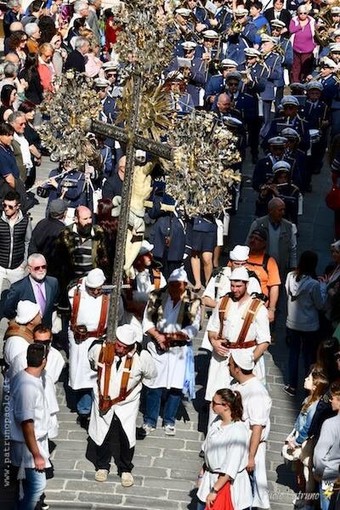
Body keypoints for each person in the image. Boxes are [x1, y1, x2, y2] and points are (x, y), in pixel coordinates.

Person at [86, 324, 156, 487]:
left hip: (127, 404)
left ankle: (125, 468)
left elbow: (151, 375)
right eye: (118, 345)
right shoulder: (99, 349)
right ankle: (102, 466)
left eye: (124, 347)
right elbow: (91, 362)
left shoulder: (142, 356)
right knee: (102, 433)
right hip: (103, 400)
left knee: (126, 435)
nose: (120, 349)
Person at [142, 267, 201, 436]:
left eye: (179, 285)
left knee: (175, 387)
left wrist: (177, 335)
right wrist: (158, 336)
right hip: (157, 347)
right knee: (154, 386)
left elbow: (194, 327)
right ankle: (150, 420)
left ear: (185, 285)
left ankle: (169, 420)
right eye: (172, 285)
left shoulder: (193, 301)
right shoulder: (156, 296)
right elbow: (147, 321)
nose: (175, 289)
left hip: (178, 350)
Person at [205, 267, 270, 407]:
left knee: (243, 403)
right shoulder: (223, 302)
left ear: (246, 284)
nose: (235, 290)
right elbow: (212, 328)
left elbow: (264, 341)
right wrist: (214, 342)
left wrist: (251, 359)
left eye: (238, 286)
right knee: (218, 398)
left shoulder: (258, 308)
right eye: (232, 286)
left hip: (245, 356)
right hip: (222, 357)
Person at [9, 343, 51, 510]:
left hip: (29, 443)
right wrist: (37, 455)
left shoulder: (25, 377)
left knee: (27, 485)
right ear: (44, 361)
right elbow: (27, 423)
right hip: (29, 446)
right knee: (37, 487)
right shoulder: (28, 387)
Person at [229, 349, 272, 510]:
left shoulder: (257, 393)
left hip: (248, 450)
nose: (228, 366)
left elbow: (257, 427)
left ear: (238, 368)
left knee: (247, 494)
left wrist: (251, 457)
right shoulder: (239, 384)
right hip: (237, 445)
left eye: (231, 364)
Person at [196, 388, 253, 510]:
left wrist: (214, 491)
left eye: (214, 402)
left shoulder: (238, 432)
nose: (211, 405)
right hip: (209, 481)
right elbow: (207, 450)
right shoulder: (216, 423)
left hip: (230, 487)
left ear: (226, 406)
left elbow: (230, 468)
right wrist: (202, 473)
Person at [68, 268, 110, 429]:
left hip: (100, 338)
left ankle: (99, 408)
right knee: (82, 376)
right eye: (92, 289)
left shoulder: (109, 296)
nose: (95, 292)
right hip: (80, 340)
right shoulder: (75, 292)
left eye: (98, 288)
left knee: (97, 375)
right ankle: (84, 410)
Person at [283, 251, 327, 397]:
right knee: (308, 356)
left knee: (293, 354)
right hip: (309, 325)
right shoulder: (314, 284)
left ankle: (292, 385)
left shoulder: (290, 277)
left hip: (292, 322)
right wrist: (323, 288)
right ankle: (308, 386)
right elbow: (320, 305)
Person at [284, 367, 328, 507]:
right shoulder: (309, 399)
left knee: (307, 472)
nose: (304, 379)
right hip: (302, 440)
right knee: (303, 471)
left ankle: (307, 501)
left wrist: (296, 441)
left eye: (308, 379)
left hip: (306, 443)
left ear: (315, 386)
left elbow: (307, 427)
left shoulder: (314, 406)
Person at [3, 253, 59, 329]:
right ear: (29, 269)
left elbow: (54, 304)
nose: (41, 270)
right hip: (27, 330)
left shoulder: (53, 282)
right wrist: (22, 321)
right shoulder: (18, 288)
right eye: (37, 268)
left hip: (46, 331)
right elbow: (8, 310)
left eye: (44, 267)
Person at [247, 197, 297, 279]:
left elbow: (293, 249)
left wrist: (293, 267)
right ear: (271, 210)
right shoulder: (258, 224)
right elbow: (248, 245)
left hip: (280, 270)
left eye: (283, 210)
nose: (283, 213)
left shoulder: (289, 227)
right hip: (260, 268)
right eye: (280, 210)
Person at [313, 380, 340, 510]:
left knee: (327, 504)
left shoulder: (330, 424)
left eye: (333, 398)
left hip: (329, 477)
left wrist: (318, 472)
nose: (330, 401)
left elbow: (319, 456)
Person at [0, 190, 32, 296]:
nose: (6, 209)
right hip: (0, 266)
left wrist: (25, 262)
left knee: (16, 297)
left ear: (18, 206)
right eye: (4, 205)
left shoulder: (25, 221)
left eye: (10, 206)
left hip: (17, 267)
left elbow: (28, 241)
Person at [246, 227, 281, 322]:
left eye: (257, 239)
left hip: (259, 307)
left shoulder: (269, 261)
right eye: (252, 237)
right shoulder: (241, 256)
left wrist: (271, 309)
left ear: (264, 244)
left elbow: (274, 286)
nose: (253, 240)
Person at [29, 199, 67, 267]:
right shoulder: (63, 230)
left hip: (37, 265)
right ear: (64, 213)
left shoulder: (41, 223)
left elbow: (32, 244)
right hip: (53, 269)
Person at [3, 300, 41, 368]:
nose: (41, 315)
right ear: (31, 320)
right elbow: (22, 368)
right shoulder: (19, 344)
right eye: (38, 314)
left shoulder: (22, 335)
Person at [0, 123, 28, 210]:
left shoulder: (7, 148)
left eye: (12, 135)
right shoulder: (1, 154)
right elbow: (9, 179)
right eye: (8, 135)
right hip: (7, 189)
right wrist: (18, 192)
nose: (11, 138)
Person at [289, 5, 316, 83]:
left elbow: (315, 33)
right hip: (296, 48)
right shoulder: (294, 20)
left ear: (307, 13)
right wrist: (300, 26)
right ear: (298, 13)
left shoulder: (312, 20)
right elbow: (291, 30)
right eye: (300, 13)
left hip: (308, 49)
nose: (303, 15)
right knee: (295, 68)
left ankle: (304, 83)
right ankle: (295, 84)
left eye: (305, 13)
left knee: (305, 68)